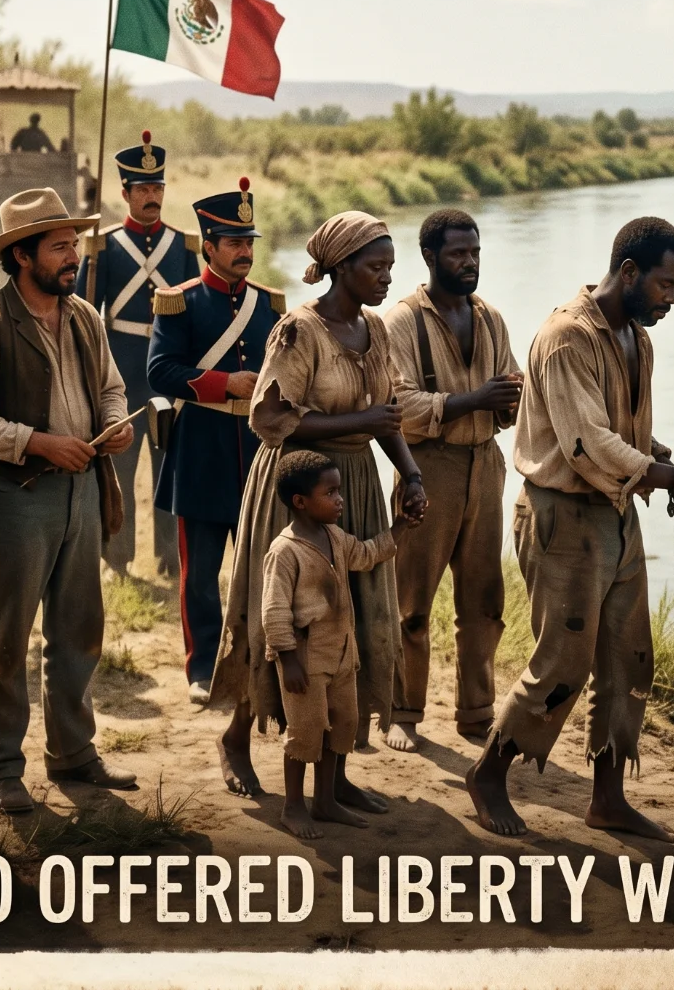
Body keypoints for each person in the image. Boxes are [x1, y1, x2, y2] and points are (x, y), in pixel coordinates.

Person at [463, 217, 674, 841]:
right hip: (563, 517)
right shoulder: (568, 337)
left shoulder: (635, 338)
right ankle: (488, 773)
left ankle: (607, 800)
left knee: (627, 658)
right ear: (630, 272)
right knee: (562, 662)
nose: (673, 298)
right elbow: (586, 445)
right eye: (667, 284)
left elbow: (625, 436)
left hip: (614, 514)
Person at [208, 211, 426, 807]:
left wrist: (409, 473)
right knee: (288, 620)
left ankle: (335, 772)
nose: (385, 277)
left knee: (348, 622)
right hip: (297, 490)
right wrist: (364, 421)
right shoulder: (298, 332)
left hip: (353, 483)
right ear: (341, 268)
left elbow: (388, 415)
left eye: (389, 266)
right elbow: (271, 419)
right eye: (374, 266)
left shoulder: (376, 331)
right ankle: (237, 739)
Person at [0, 188, 138, 815]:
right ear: (22, 255)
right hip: (17, 497)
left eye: (75, 245)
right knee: (3, 639)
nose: (73, 256)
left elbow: (111, 387)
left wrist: (114, 423)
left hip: (84, 492)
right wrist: (38, 444)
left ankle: (74, 754)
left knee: (79, 630)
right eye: (59, 247)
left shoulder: (84, 315)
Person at [382, 209, 522, 751]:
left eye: (476, 252)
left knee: (484, 604)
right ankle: (402, 712)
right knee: (411, 605)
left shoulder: (489, 317)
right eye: (459, 254)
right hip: (426, 469)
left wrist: (509, 399)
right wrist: (475, 399)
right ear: (431, 257)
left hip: (485, 466)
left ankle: (475, 713)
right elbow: (398, 405)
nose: (470, 263)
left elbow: (511, 388)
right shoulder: (401, 321)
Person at [146, 178, 283, 703]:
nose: (245, 252)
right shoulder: (178, 302)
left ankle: (255, 662)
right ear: (209, 245)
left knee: (261, 568)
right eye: (234, 243)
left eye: (249, 242)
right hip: (201, 450)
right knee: (200, 575)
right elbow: (160, 372)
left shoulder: (268, 303)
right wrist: (225, 384)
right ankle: (202, 668)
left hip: (255, 453)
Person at [76, 130, 199, 579]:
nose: (152, 197)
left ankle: (171, 558)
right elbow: (83, 314)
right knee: (120, 468)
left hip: (167, 371)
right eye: (143, 190)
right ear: (125, 193)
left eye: (157, 188)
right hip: (122, 372)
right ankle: (117, 559)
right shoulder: (103, 245)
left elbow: (196, 311)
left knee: (169, 467)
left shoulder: (183, 245)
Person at [260, 451, 397, 839]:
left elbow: (367, 555)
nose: (340, 500)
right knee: (305, 733)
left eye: (339, 491)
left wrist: (401, 527)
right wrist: (287, 661)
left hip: (341, 653)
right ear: (300, 502)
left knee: (345, 725)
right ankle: (292, 806)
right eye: (330, 492)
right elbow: (273, 612)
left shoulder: (335, 536)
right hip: (305, 657)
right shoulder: (284, 551)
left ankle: (325, 800)